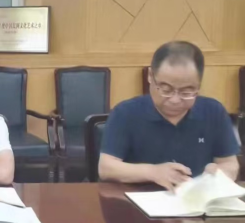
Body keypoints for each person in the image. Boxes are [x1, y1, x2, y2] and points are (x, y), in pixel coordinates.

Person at [98, 41, 240, 191]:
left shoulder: (214, 112)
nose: (175, 100)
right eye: (166, 89)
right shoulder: (125, 113)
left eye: (186, 92)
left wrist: (220, 173)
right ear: (150, 76)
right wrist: (153, 172)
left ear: (199, 85)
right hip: (141, 198)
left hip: (197, 200)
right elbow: (106, 168)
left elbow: (230, 164)